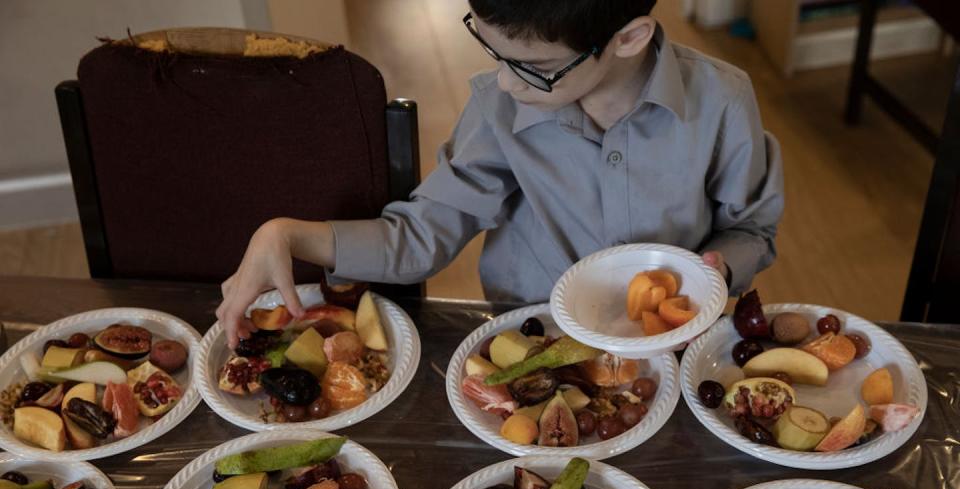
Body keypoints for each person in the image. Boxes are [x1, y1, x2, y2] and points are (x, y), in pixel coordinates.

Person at [217, 0, 783, 347]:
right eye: (494, 55)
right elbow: (421, 234)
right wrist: (286, 234)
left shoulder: (722, 100)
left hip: (672, 341)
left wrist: (717, 269)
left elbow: (751, 229)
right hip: (532, 335)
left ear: (629, 37)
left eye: (534, 68)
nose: (506, 87)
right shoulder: (501, 106)